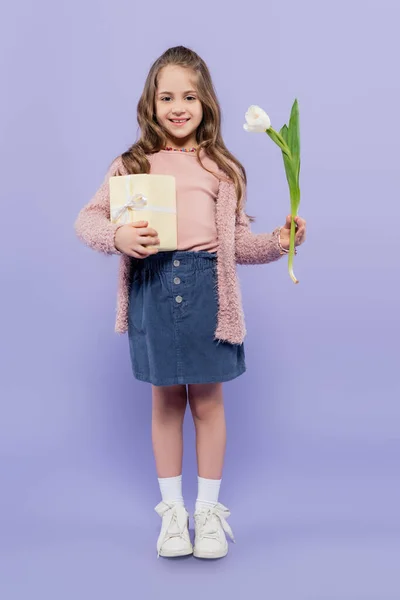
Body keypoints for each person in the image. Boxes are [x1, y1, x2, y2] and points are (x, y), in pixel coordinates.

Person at [74, 45, 307, 560]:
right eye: (167, 97)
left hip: (208, 290)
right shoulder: (130, 164)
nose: (178, 107)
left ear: (207, 104)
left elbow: (237, 245)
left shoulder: (223, 169)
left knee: (207, 401)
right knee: (165, 400)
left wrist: (278, 240)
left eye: (190, 96)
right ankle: (172, 516)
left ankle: (207, 511)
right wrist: (117, 237)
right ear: (150, 103)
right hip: (152, 286)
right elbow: (87, 220)